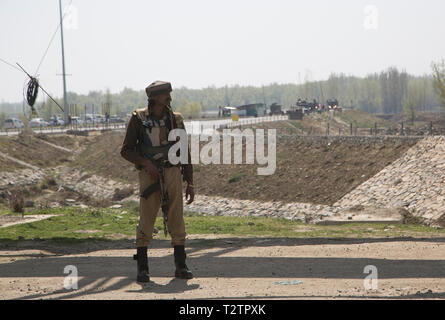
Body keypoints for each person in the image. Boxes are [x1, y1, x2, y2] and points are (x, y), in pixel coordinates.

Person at [120, 80, 195, 283]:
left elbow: (185, 152)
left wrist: (190, 182)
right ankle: (142, 269)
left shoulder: (176, 120)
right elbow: (126, 150)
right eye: (164, 94)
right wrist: (146, 163)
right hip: (149, 175)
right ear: (154, 98)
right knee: (147, 218)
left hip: (172, 173)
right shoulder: (138, 118)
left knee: (176, 218)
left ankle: (181, 266)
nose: (169, 97)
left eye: (168, 93)